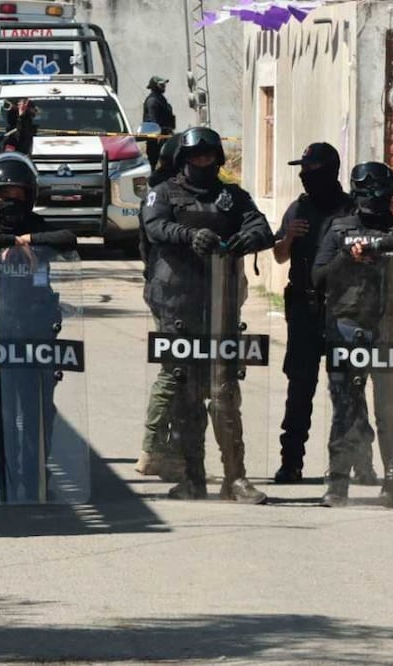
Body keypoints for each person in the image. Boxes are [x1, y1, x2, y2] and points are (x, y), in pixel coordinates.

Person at [141, 126, 274, 503]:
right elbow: (154, 226)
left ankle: (235, 478)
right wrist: (187, 235)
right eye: (196, 157)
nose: (203, 163)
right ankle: (191, 478)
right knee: (186, 391)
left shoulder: (232, 196)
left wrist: (252, 237)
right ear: (184, 160)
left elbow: (261, 225)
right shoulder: (163, 193)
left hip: (222, 303)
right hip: (177, 304)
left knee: (224, 393)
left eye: (209, 157)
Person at [312, 162, 393, 508]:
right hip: (348, 327)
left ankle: (392, 483)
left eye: (381, 194)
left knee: (390, 411)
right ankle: (337, 485)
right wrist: (348, 258)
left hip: (391, 331)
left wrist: (378, 245)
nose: (376, 201)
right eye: (369, 194)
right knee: (346, 410)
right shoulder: (340, 229)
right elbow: (318, 278)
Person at [0, 153, 79, 500]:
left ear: (30, 197)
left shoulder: (40, 227)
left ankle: (34, 477)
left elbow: (68, 238)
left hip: (35, 331)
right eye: (3, 196)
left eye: (18, 196)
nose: (10, 203)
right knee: (1, 410)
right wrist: (11, 243)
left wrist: (30, 240)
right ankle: (1, 479)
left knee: (38, 411)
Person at [272, 142, 376, 485]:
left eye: (311, 171)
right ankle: (291, 463)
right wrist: (288, 238)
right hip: (303, 309)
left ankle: (359, 463)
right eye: (302, 171)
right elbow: (279, 257)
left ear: (329, 171)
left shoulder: (353, 210)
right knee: (299, 388)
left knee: (348, 389)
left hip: (344, 311)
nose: (305, 177)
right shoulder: (298, 209)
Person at [134, 133, 185, 481]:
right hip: (171, 294)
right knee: (175, 369)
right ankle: (153, 449)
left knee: (186, 371)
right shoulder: (162, 196)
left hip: (185, 291)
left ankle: (172, 449)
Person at [142, 76, 176, 170]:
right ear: (155, 86)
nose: (164, 87)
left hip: (164, 135)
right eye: (161, 85)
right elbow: (154, 122)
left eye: (164, 85)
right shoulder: (152, 101)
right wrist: (160, 133)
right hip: (155, 138)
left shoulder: (161, 99)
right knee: (153, 164)